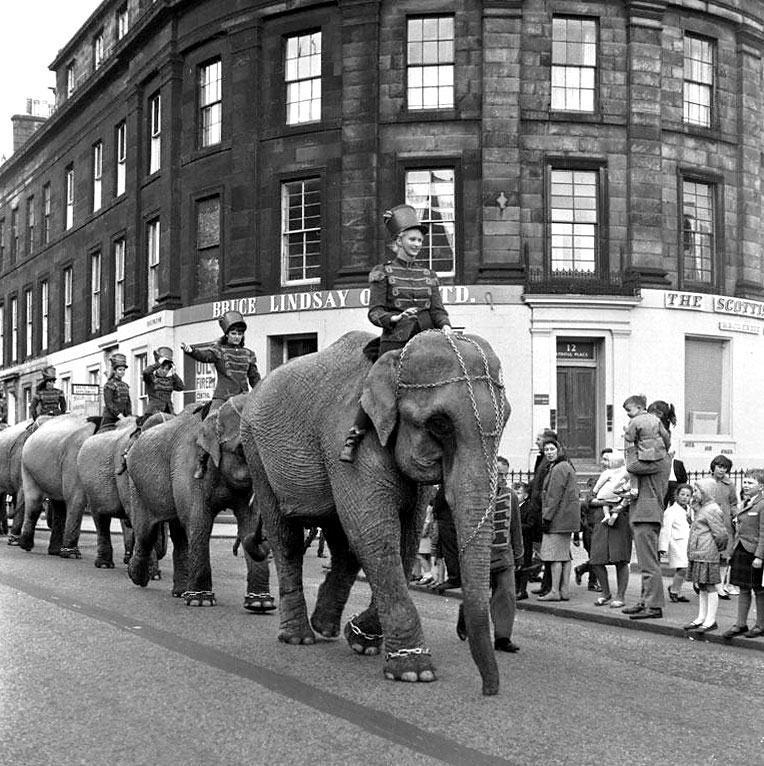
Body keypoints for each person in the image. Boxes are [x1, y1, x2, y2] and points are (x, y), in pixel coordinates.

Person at [339, 204, 453, 462]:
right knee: (379, 386)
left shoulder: (429, 275)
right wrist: (395, 318)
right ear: (399, 241)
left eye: (420, 240)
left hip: (426, 340)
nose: (417, 244)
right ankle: (354, 437)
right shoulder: (383, 272)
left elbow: (437, 310)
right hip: (394, 341)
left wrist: (445, 325)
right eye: (412, 239)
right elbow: (374, 312)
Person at [181, 310, 260, 478]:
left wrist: (260, 392)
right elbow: (204, 356)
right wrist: (190, 350)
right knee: (209, 425)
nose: (237, 336)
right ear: (227, 334)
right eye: (233, 333)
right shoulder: (219, 351)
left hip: (243, 398)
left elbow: (254, 377)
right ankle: (202, 462)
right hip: (222, 396)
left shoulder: (249, 354)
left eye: (239, 333)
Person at [456, 456, 523, 652]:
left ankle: (502, 638)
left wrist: (518, 554)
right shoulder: (475, 496)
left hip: (504, 555)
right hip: (480, 557)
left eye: (505, 474)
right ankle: (465, 615)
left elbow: (515, 528)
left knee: (507, 595)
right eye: (498, 474)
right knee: (477, 596)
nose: (502, 478)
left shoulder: (511, 496)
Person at [621, 399, 675, 620]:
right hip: (643, 512)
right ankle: (645, 601)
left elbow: (632, 465)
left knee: (649, 562)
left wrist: (629, 443)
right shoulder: (655, 456)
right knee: (645, 561)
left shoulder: (658, 459)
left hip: (647, 513)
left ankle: (654, 606)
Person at [684, 479, 729, 634]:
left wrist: (716, 549)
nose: (694, 494)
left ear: (706, 492)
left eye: (697, 491)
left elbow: (721, 534)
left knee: (709, 586)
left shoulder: (712, 509)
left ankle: (710, 620)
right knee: (702, 585)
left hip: (707, 553)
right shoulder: (703, 508)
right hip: (700, 552)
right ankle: (701, 617)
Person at [723, 469, 764, 639]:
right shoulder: (746, 502)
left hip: (754, 553)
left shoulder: (762, 504)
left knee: (759, 589)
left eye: (750, 483)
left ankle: (760, 625)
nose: (746, 486)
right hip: (741, 549)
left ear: (761, 486)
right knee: (743, 588)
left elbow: (763, 532)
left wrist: (759, 556)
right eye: (745, 482)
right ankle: (740, 623)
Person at [589, 452, 633, 609]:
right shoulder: (601, 476)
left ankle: (620, 595)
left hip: (620, 520)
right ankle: (605, 593)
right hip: (601, 519)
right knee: (596, 558)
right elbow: (590, 498)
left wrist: (616, 503)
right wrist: (603, 502)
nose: (604, 462)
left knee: (620, 559)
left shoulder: (627, 475)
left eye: (607, 459)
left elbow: (629, 497)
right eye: (603, 459)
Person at [537, 438, 578, 602]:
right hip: (566, 518)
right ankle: (564, 590)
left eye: (551, 449)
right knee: (564, 556)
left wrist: (546, 518)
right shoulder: (564, 466)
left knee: (555, 556)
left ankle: (555, 591)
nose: (548, 452)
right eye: (546, 450)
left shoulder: (559, 468)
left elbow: (554, 495)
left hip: (558, 519)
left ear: (558, 449)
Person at [529, 429, 558, 597]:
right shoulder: (541, 459)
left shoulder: (550, 462)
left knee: (549, 551)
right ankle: (546, 583)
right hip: (538, 508)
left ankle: (551, 585)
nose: (536, 442)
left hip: (544, 511)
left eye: (539, 439)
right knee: (544, 549)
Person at [706, 454, 739, 599]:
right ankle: (704, 584)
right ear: (713, 466)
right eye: (719, 467)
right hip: (709, 524)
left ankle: (720, 587)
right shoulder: (705, 482)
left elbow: (733, 503)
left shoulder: (730, 485)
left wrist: (735, 516)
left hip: (726, 524)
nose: (721, 470)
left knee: (725, 557)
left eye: (725, 468)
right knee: (709, 556)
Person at [659, 484, 692, 603]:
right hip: (677, 543)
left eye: (688, 495)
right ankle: (673, 590)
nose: (684, 497)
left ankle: (676, 590)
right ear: (676, 496)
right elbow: (665, 529)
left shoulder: (690, 510)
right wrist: (663, 547)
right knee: (682, 567)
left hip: (688, 542)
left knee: (686, 568)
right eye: (682, 494)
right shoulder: (671, 511)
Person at [142, 346, 185, 416]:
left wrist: (174, 374)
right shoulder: (151, 378)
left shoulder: (170, 379)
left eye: (167, 369)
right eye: (162, 368)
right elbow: (145, 372)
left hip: (169, 412)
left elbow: (181, 387)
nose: (164, 371)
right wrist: (158, 363)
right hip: (153, 412)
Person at [100, 354, 132, 432]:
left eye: (123, 370)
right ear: (114, 371)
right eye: (120, 370)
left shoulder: (125, 385)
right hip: (110, 418)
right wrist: (119, 415)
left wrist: (129, 415)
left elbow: (128, 403)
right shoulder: (109, 385)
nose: (122, 372)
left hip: (123, 418)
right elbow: (109, 403)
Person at [514, 481, 535, 600]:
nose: (515, 495)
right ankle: (516, 588)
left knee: (524, 565)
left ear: (525, 496)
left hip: (525, 541)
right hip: (515, 541)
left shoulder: (529, 508)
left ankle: (522, 590)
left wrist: (517, 526)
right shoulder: (512, 507)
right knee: (516, 565)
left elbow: (531, 525)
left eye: (518, 493)